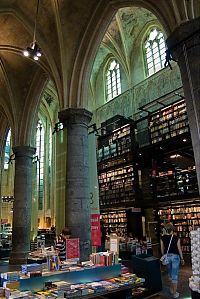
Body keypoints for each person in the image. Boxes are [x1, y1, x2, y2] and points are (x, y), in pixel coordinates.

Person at [160, 223, 185, 298]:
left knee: (170, 274)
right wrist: (182, 258)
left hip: (167, 257)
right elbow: (179, 249)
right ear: (172, 229)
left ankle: (171, 289)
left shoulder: (162, 238)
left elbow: (162, 248)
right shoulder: (176, 238)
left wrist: (164, 255)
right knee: (174, 275)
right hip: (175, 257)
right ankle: (174, 293)